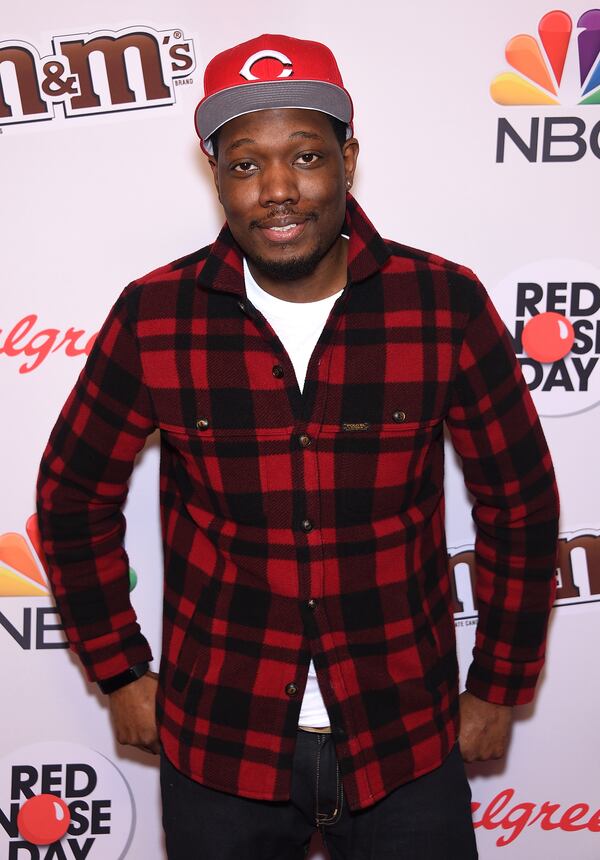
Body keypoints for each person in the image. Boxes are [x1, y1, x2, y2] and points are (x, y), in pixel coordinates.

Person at [36, 33, 559, 860]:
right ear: (216, 175)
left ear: (348, 160)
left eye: (306, 155)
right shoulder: (155, 315)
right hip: (220, 742)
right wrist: (119, 670)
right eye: (246, 164)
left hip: (406, 740)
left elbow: (519, 504)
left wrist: (499, 684)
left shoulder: (443, 303)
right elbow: (72, 498)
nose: (278, 189)